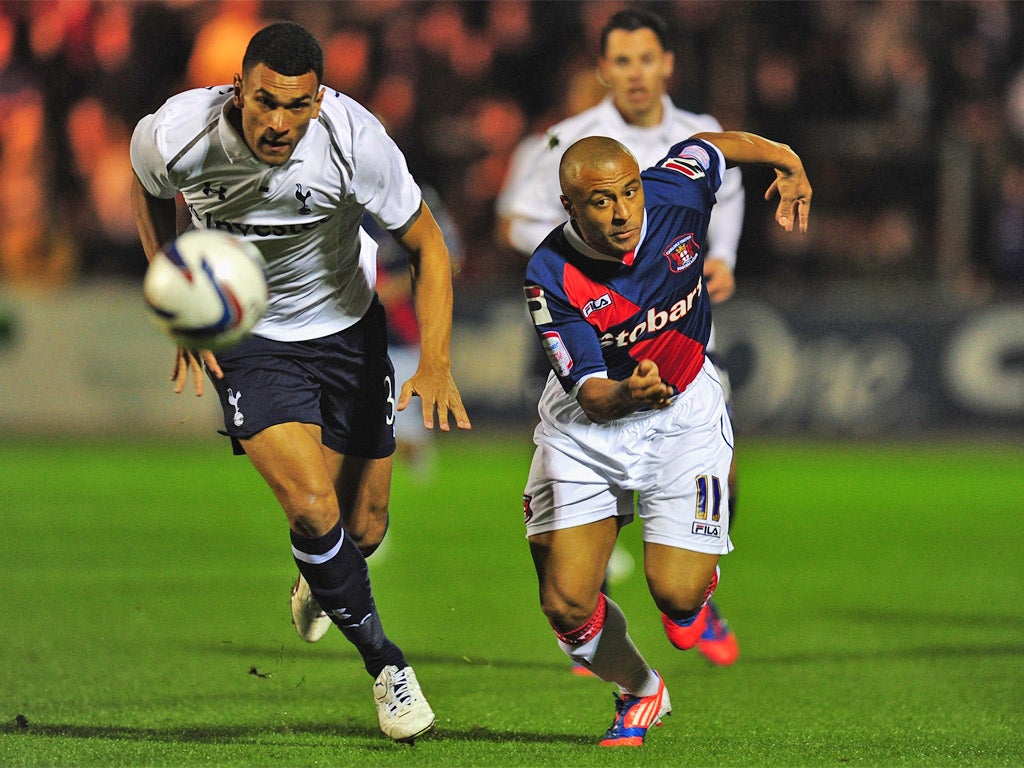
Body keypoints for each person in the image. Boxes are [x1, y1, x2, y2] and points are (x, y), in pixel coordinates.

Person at [129, 21, 471, 744]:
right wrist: (173, 285)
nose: (277, 122)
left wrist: (435, 361)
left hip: (349, 333)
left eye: (296, 106)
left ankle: (325, 578)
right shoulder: (177, 134)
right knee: (313, 510)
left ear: (319, 102)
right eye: (263, 103)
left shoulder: (355, 141)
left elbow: (427, 243)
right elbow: (147, 186)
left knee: (364, 529)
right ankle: (387, 666)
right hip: (250, 343)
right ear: (238, 90)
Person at [522, 132, 810, 746]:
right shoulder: (551, 275)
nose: (625, 212)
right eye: (602, 201)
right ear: (570, 206)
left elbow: (711, 144)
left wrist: (787, 160)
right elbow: (591, 393)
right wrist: (628, 393)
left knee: (677, 599)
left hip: (682, 415)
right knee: (566, 607)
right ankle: (640, 690)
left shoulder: (674, 193)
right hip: (588, 429)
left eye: (630, 192)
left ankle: (693, 598)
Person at [499, 7, 744, 667]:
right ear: (604, 69)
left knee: (711, 429)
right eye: (622, 61)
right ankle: (631, 653)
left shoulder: (700, 134)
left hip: (680, 327)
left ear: (668, 64)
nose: (636, 73)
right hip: (594, 330)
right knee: (565, 591)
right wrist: (593, 267)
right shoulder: (567, 141)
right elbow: (517, 221)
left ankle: (693, 574)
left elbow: (724, 190)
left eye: (647, 59)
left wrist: (722, 255)